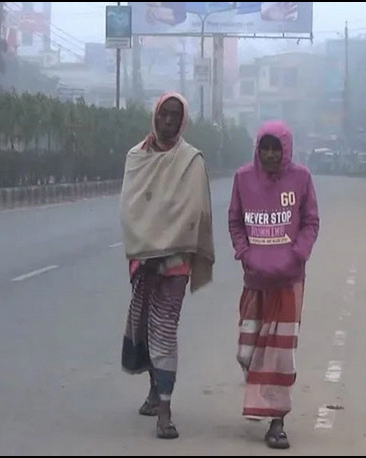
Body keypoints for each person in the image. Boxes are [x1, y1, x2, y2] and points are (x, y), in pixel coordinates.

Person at [120, 92, 215, 440]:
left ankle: (165, 410)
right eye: (164, 115)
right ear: (155, 117)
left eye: (176, 116)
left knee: (165, 328)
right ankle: (153, 390)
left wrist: (165, 247)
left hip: (175, 260)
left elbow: (195, 212)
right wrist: (147, 248)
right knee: (145, 323)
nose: (169, 122)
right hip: (143, 258)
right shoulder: (136, 157)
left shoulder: (192, 161)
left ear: (183, 120)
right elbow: (130, 209)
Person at [228, 120, 319, 449]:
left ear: (286, 150)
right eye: (264, 147)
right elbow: (235, 221)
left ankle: (277, 421)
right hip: (255, 279)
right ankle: (261, 398)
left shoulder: (302, 179)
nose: (269, 154)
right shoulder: (242, 179)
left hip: (288, 280)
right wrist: (244, 253)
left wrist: (298, 255)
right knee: (248, 351)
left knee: (280, 354)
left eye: (275, 148)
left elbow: (310, 221)